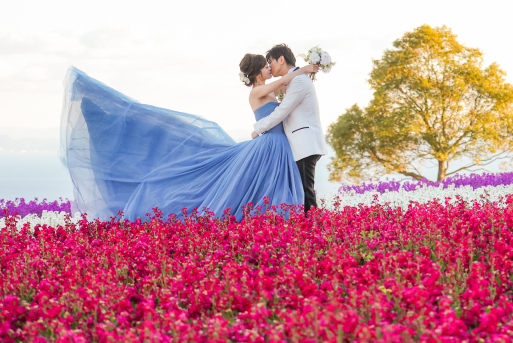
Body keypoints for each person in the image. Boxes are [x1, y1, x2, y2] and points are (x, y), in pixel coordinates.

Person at [59, 56, 318, 220]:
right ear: (257, 73)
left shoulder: (265, 88)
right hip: (270, 143)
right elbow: (284, 82)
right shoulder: (259, 90)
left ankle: (289, 222)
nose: (268, 68)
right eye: (265, 65)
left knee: (270, 186)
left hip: (276, 144)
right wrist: (302, 69)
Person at [251, 44, 326, 213]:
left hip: (304, 143)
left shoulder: (299, 81)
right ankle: (311, 227)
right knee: (303, 190)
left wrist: (258, 128)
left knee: (305, 191)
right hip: (300, 143)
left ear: (282, 60)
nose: (270, 67)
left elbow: (282, 111)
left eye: (271, 62)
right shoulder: (297, 79)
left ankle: (314, 228)